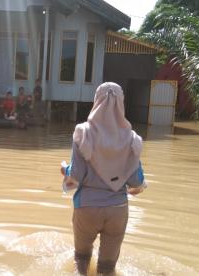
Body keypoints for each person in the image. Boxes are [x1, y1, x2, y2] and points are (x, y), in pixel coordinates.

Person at [61, 82, 147, 275]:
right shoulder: (132, 139)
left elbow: (76, 177)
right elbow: (136, 181)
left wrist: (65, 170)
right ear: (121, 103)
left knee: (81, 261)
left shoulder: (83, 133)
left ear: (96, 101)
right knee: (107, 268)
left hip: (87, 207)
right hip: (117, 210)